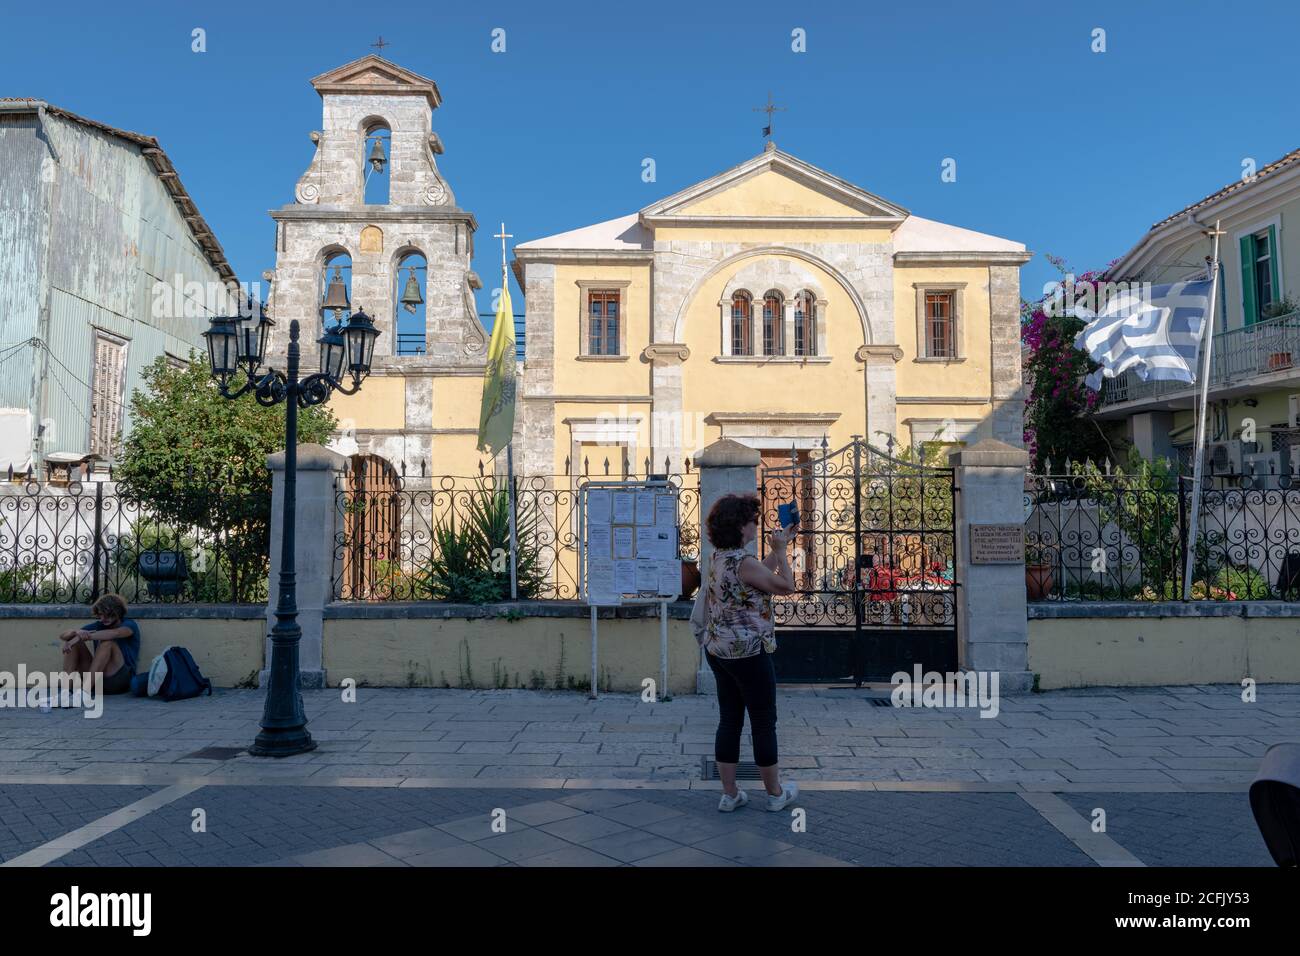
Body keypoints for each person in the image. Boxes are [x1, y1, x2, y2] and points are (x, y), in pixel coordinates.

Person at [702, 493, 800, 812]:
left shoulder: (718, 558)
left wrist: (774, 550)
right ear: (741, 526)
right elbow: (786, 585)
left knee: (729, 719)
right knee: (762, 720)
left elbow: (757, 575)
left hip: (718, 650)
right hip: (748, 653)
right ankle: (775, 794)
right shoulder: (742, 563)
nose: (756, 524)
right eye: (752, 520)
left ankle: (729, 795)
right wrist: (783, 552)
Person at [58, 594, 141, 695]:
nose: (103, 618)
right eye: (101, 614)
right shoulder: (99, 625)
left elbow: (115, 633)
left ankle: (84, 693)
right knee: (73, 642)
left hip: (119, 680)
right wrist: (76, 633)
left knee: (107, 642)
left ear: (117, 613)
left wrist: (82, 637)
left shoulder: (129, 625)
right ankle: (65, 693)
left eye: (108, 615)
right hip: (97, 680)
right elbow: (63, 636)